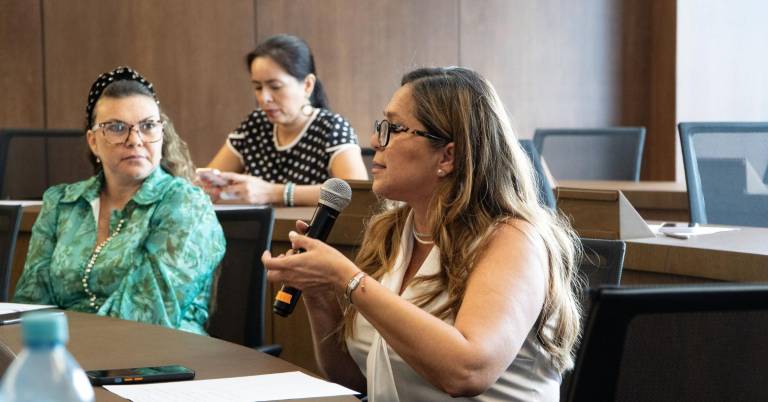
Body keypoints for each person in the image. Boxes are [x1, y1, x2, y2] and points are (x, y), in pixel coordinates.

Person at [262, 67, 583, 401]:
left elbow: (468, 371)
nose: (374, 142)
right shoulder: (393, 232)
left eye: (394, 128)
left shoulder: (514, 239)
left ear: (448, 155)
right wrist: (320, 293)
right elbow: (358, 380)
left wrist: (347, 278)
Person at [14, 66, 226, 335]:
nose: (134, 140)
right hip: (66, 357)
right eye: (116, 128)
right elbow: (29, 306)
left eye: (148, 126)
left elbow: (148, 314)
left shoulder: (186, 205)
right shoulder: (61, 203)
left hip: (163, 359)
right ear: (93, 141)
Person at [200, 34, 368, 206]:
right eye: (258, 87)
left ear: (307, 85)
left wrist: (273, 193)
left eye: (275, 87)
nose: (264, 98)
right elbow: (205, 187)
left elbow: (356, 195)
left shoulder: (332, 128)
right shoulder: (254, 125)